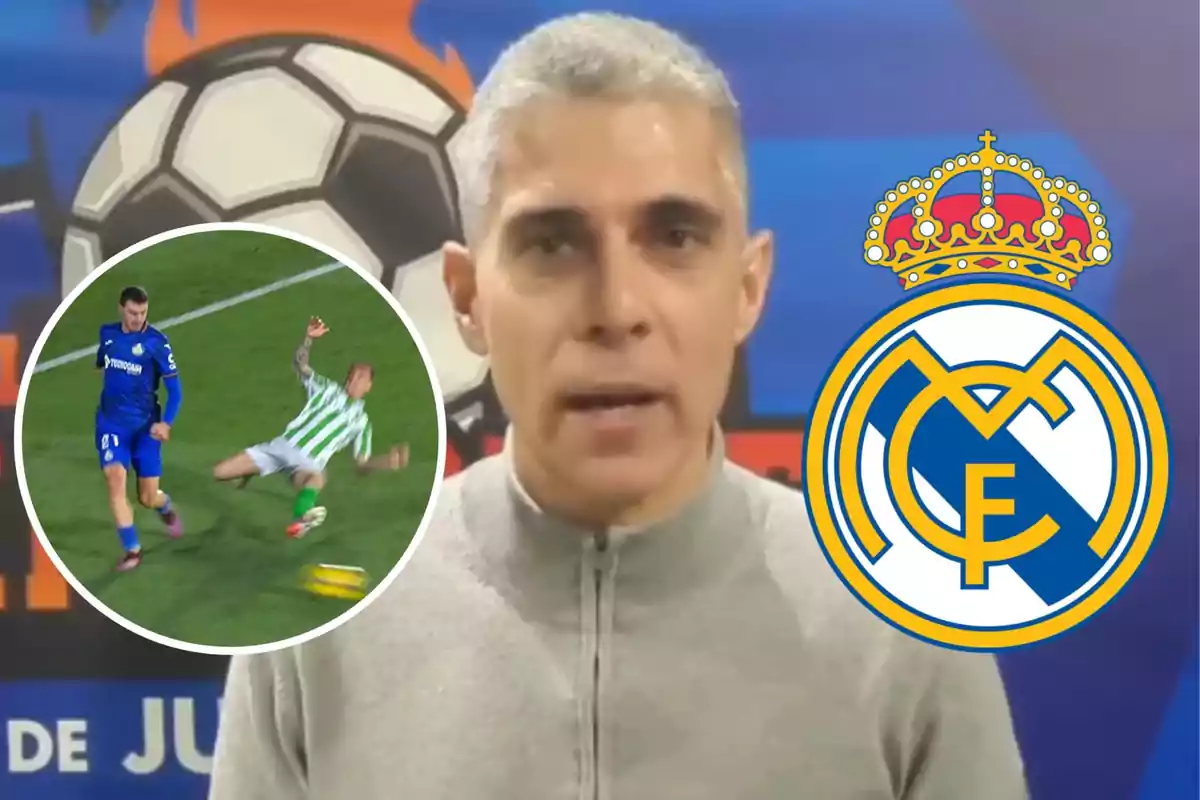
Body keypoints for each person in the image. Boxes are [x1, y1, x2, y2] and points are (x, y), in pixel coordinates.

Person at [209, 13, 1027, 799]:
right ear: (466, 298)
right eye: (553, 244)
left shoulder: (903, 627)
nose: (617, 307)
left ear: (747, 288)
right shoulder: (320, 617)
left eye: (674, 237)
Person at [211, 316, 410, 538]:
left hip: (307, 465)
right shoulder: (326, 389)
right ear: (346, 379)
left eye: (361, 379)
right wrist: (308, 339)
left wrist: (384, 462)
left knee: (317, 479)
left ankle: (302, 519)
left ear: (369, 386)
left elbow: (361, 465)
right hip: (279, 448)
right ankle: (252, 473)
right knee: (219, 473)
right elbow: (300, 364)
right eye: (352, 377)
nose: (355, 382)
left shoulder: (362, 423)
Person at [95, 285, 183, 572]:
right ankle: (133, 549)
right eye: (133, 312)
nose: (138, 318)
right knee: (114, 480)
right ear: (122, 308)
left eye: (143, 312)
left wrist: (166, 423)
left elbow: (176, 391)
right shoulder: (107, 334)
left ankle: (165, 507)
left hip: (146, 429)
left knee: (147, 497)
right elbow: (102, 364)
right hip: (111, 425)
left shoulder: (157, 343)